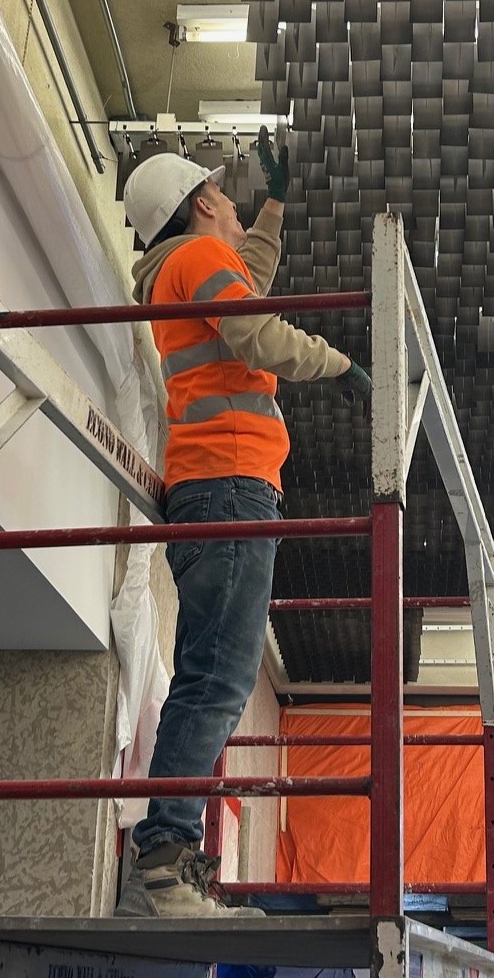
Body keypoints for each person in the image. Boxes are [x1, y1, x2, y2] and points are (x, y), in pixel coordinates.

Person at [114, 135, 370, 918]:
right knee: (217, 680)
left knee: (212, 677)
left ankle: (167, 857)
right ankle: (164, 862)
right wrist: (338, 363)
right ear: (199, 204)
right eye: (222, 194)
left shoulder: (187, 269)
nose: (229, 201)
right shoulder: (196, 262)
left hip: (216, 488)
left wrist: (274, 210)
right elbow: (259, 333)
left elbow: (248, 289)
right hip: (229, 486)